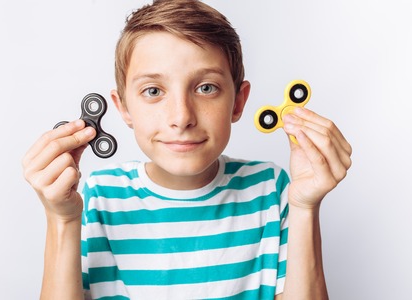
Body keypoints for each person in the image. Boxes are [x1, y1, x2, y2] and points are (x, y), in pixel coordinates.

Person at [22, 0, 352, 299]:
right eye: (153, 90)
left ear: (238, 101)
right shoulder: (97, 197)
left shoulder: (272, 189)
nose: (181, 117)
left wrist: (306, 207)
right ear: (123, 108)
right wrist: (61, 219)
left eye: (206, 88)